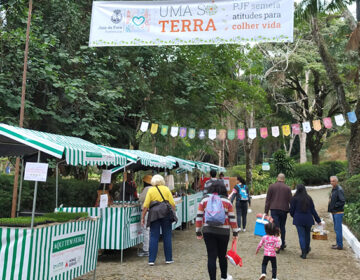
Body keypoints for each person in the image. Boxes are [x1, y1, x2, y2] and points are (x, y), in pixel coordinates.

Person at [196, 180, 238, 280]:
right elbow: (232, 218)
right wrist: (235, 232)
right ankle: (224, 277)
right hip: (224, 232)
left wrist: (198, 231)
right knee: (222, 255)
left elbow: (199, 216)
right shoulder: (227, 201)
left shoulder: (204, 200)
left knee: (211, 256)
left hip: (208, 231)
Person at [141, 174, 175, 266]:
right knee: (167, 236)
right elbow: (172, 203)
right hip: (166, 214)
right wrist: (173, 213)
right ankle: (168, 259)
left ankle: (151, 260)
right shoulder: (166, 189)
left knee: (153, 237)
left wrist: (143, 217)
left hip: (154, 214)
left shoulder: (150, 190)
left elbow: (146, 205)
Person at [290, 184, 321, 259]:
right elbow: (313, 210)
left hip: (298, 219)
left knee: (301, 236)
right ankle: (307, 249)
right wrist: (318, 220)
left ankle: (303, 252)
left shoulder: (294, 198)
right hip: (308, 219)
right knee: (307, 235)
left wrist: (294, 216)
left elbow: (291, 210)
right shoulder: (309, 198)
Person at [265, 173, 292, 251]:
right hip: (284, 210)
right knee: (282, 227)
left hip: (274, 209)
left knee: (276, 227)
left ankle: (276, 245)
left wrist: (266, 212)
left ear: (277, 178)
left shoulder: (271, 187)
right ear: (284, 179)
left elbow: (268, 200)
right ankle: (282, 243)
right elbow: (290, 200)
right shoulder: (287, 188)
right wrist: (291, 210)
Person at [328, 175, 345, 250]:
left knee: (338, 229)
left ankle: (340, 245)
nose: (332, 182)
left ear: (337, 181)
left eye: (333, 181)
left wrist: (334, 206)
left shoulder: (339, 190)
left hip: (338, 212)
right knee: (336, 229)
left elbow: (342, 201)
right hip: (335, 212)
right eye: (331, 181)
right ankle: (338, 244)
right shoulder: (334, 189)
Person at [138, 174, 153, 257]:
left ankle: (146, 249)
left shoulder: (147, 189)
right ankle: (150, 248)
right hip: (152, 211)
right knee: (150, 230)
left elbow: (140, 198)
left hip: (146, 211)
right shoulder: (154, 188)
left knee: (146, 230)